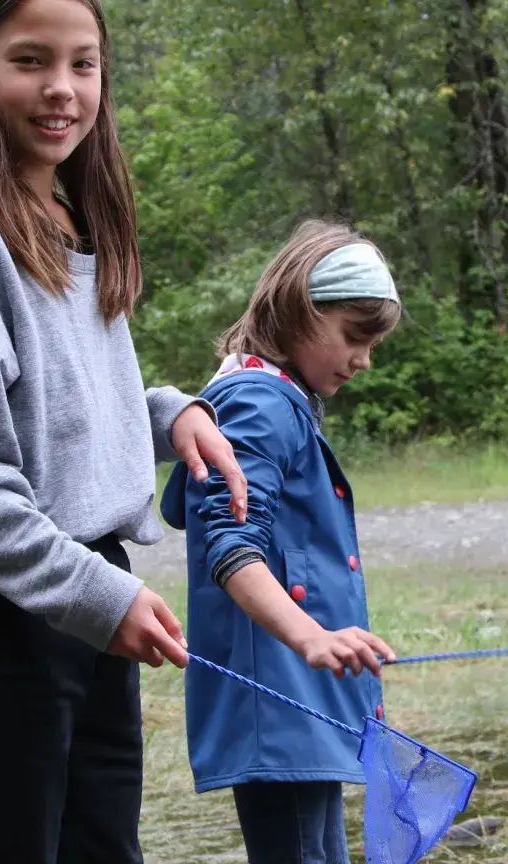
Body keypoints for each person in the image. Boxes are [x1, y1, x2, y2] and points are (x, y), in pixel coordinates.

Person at [0, 0, 247, 861]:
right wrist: (95, 596)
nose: (61, 89)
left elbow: (63, 402)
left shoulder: (74, 224)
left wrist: (170, 413)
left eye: (83, 63)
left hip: (84, 598)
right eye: (30, 60)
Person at [159, 220, 404, 864]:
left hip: (306, 695)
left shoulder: (284, 400)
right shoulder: (258, 403)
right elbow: (231, 546)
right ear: (300, 309)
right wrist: (311, 638)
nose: (363, 360)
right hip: (280, 695)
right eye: (354, 337)